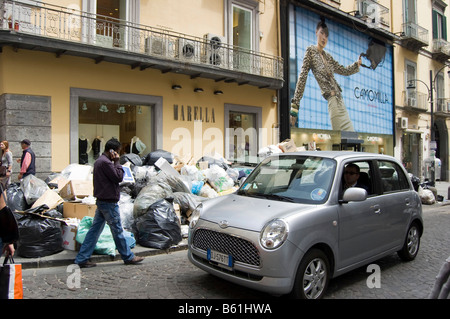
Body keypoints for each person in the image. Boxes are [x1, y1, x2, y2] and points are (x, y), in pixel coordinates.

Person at [74, 138, 143, 268]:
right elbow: (118, 177)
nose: (118, 154)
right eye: (117, 151)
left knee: (94, 231)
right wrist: (117, 162)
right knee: (117, 230)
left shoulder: (100, 161)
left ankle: (82, 258)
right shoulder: (106, 163)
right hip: (108, 202)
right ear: (112, 151)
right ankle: (128, 257)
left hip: (102, 201)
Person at [290, 18, 362, 131]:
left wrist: (356, 65)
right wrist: (295, 107)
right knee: (341, 140)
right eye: (322, 33)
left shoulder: (328, 56)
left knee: (352, 137)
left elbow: (343, 70)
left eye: (326, 35)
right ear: (316, 32)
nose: (324, 38)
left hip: (340, 101)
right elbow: (302, 77)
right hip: (332, 100)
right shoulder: (310, 51)